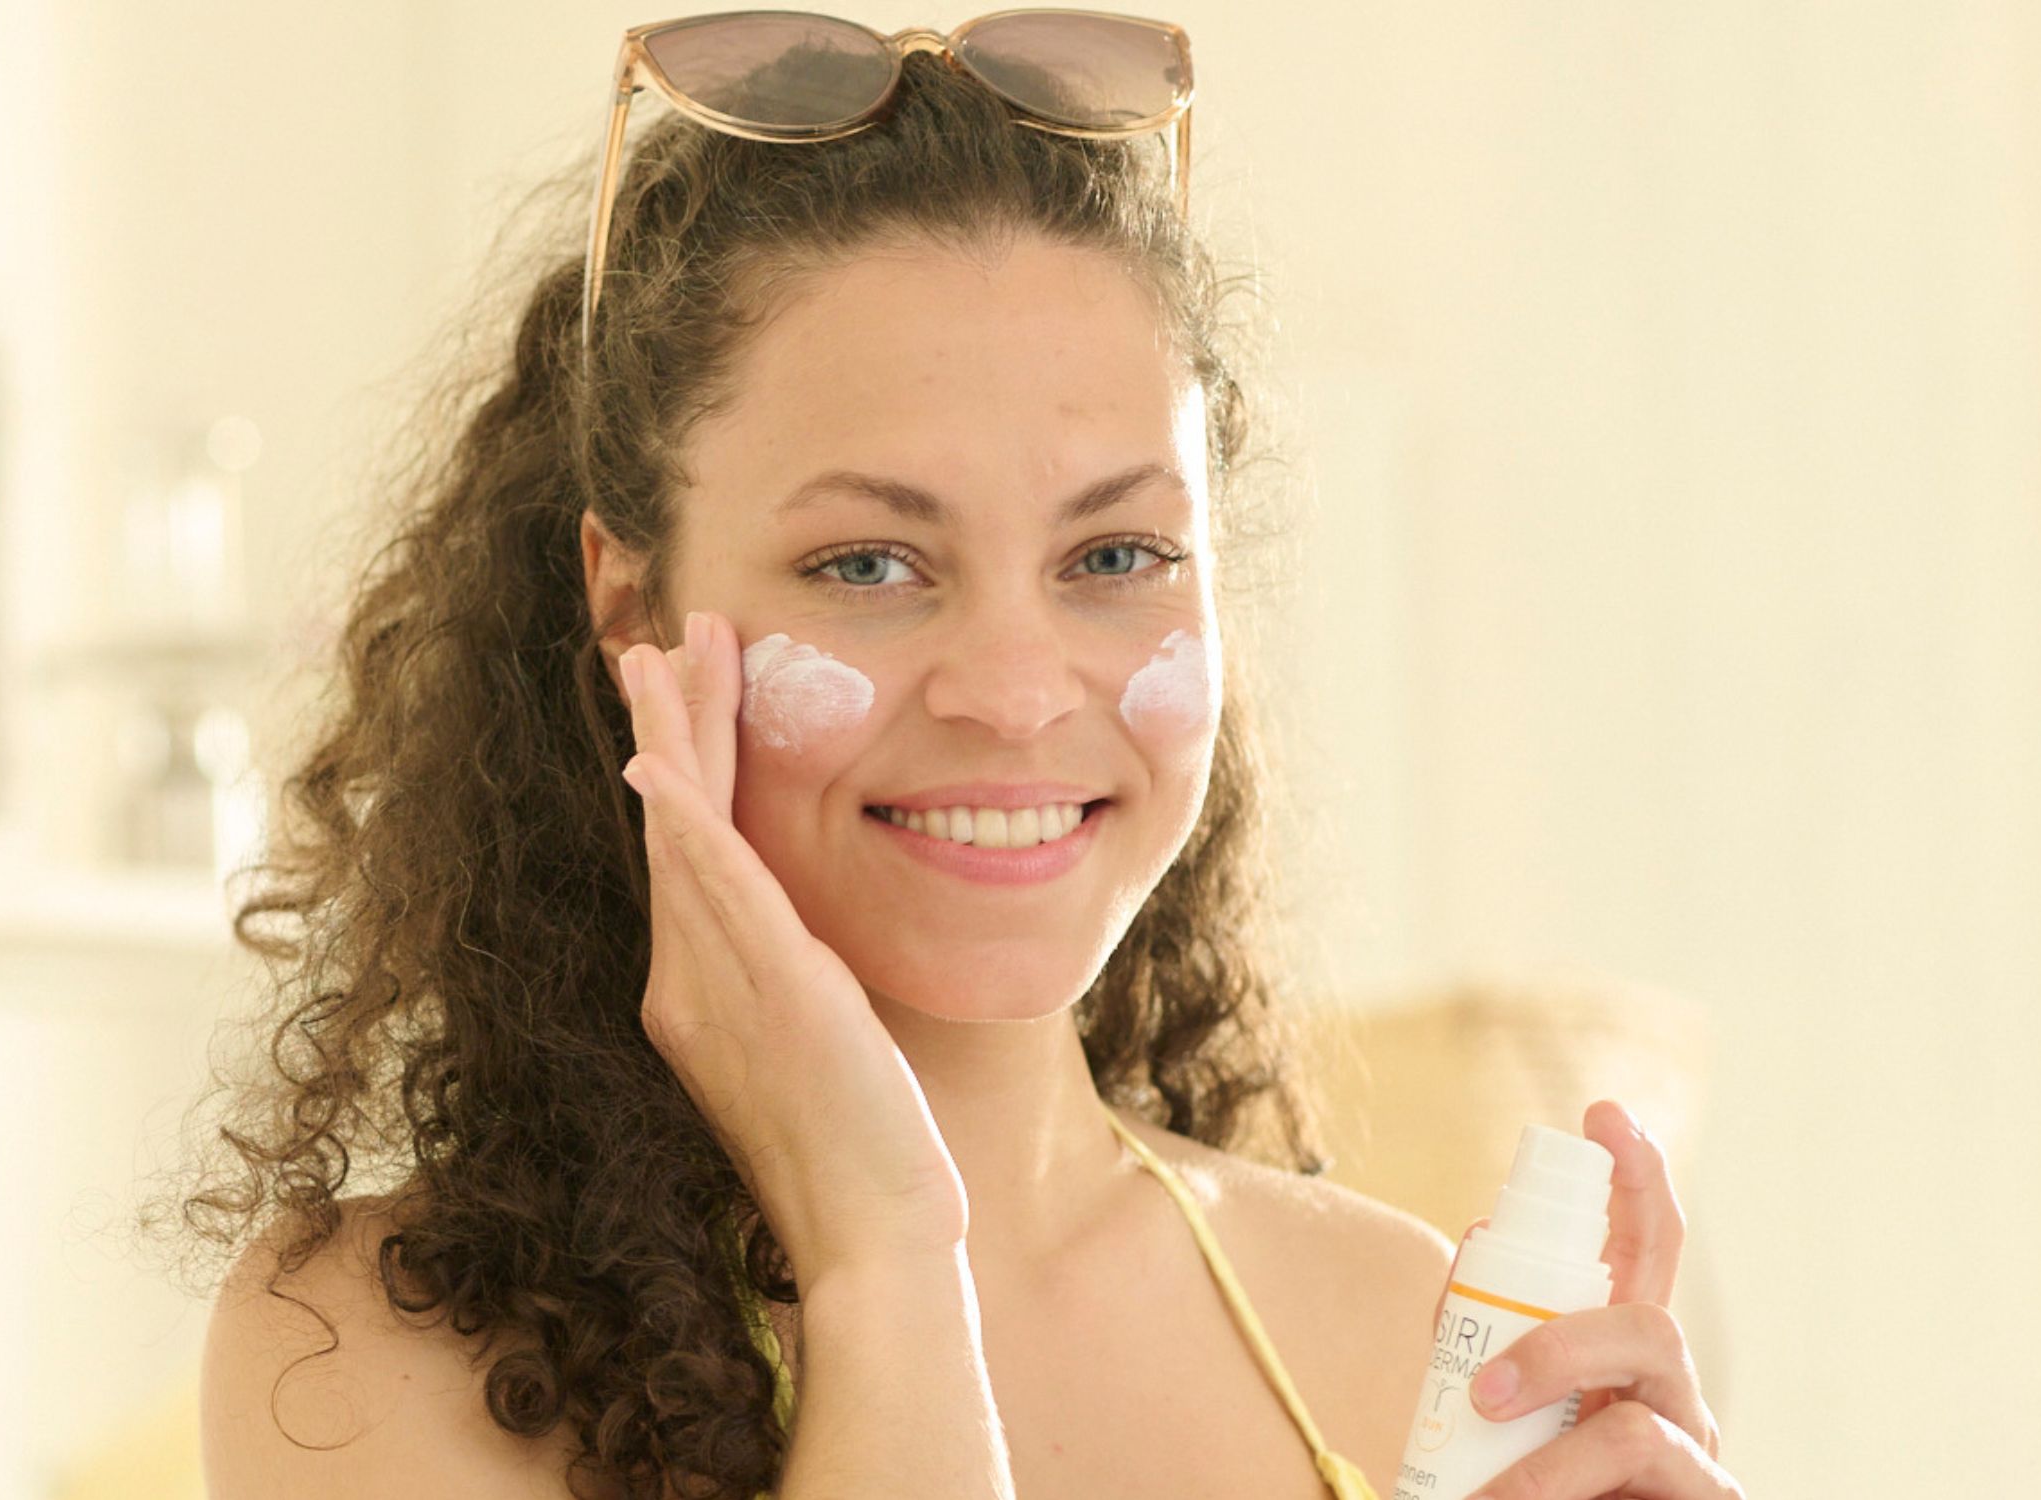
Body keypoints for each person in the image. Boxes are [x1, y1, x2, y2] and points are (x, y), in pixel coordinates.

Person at [179, 15, 1740, 1500]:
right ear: (630, 602)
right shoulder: (373, 1356)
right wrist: (884, 1256)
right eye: (868, 564)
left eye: (1115, 554)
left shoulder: (1404, 1328)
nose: (1012, 691)